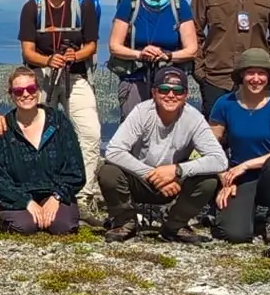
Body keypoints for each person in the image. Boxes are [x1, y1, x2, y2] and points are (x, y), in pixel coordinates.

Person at [96, 67, 229, 245]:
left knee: (208, 180)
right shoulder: (141, 112)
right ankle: (125, 222)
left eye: (178, 90)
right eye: (164, 89)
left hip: (175, 182)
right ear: (154, 92)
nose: (171, 95)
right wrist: (152, 175)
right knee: (108, 172)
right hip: (139, 178)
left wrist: (177, 170)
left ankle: (175, 226)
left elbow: (219, 160)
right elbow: (113, 150)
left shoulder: (194, 118)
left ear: (186, 95)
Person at [19, 0, 102, 202]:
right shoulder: (32, 7)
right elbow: (28, 51)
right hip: (42, 75)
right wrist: (49, 59)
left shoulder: (83, 5)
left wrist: (73, 56)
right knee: (38, 132)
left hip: (75, 75)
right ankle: (40, 189)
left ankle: (84, 194)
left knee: (90, 133)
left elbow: (91, 44)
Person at [204, 48, 270, 245]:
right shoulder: (225, 104)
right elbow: (210, 145)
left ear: (269, 76)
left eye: (261, 73)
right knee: (235, 234)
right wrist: (225, 178)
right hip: (239, 179)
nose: (256, 79)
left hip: (269, 175)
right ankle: (244, 214)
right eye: (250, 73)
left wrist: (246, 165)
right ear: (241, 75)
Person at [0, 67, 85, 235]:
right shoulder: (2, 129)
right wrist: (26, 202)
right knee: (26, 226)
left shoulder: (59, 123)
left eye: (31, 89)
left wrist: (57, 197)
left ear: (38, 91)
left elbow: (76, 170)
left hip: (54, 193)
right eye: (18, 91)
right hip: (19, 196)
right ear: (11, 95)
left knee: (63, 226)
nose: (25, 94)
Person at [108, 0, 199, 118]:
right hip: (135, 78)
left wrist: (167, 55)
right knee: (134, 132)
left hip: (170, 83)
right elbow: (114, 46)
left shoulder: (180, 7)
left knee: (170, 132)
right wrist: (140, 54)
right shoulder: (129, 5)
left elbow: (192, 49)